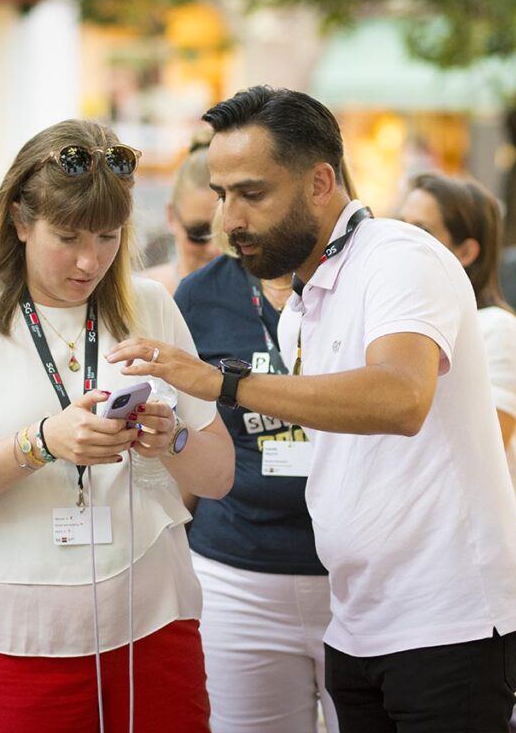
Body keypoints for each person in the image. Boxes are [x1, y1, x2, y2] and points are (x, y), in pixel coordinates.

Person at [106, 86, 516, 732]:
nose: (230, 220)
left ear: (321, 181)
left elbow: (401, 397)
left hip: (449, 617)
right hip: (359, 616)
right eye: (223, 193)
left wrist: (221, 383)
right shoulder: (309, 298)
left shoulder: (399, 258)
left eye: (251, 193)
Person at [0, 119, 234, 731]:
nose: (90, 260)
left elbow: (221, 473)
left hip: (149, 621)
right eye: (67, 236)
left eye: (108, 236)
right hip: (8, 633)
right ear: (19, 221)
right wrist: (42, 442)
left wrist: (169, 437)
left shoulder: (149, 304)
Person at [174, 206, 339, 732]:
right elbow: (189, 434)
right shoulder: (200, 295)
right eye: (225, 195)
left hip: (355, 572)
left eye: (254, 191)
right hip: (237, 573)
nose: (236, 211)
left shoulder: (360, 281)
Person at [399, 172, 516, 498]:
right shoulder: (407, 323)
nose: (403, 240)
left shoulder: (498, 329)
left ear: (465, 252)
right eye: (400, 224)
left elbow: (483, 453)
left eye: (421, 230)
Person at [143, 140, 222, 294]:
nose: (215, 248)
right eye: (199, 233)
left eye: (228, 236)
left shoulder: (263, 298)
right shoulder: (143, 295)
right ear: (171, 216)